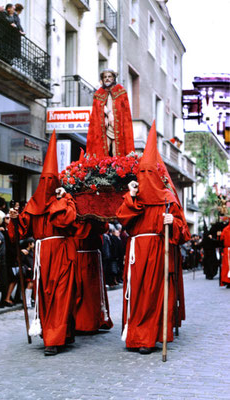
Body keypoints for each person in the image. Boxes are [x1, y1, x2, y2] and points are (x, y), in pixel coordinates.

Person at [116, 121, 190, 355]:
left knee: (153, 295)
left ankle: (150, 337)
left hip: (158, 253)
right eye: (142, 173)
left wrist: (173, 223)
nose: (146, 178)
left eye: (149, 173)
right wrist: (132, 195)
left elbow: (184, 232)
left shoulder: (168, 199)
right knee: (136, 294)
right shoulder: (134, 197)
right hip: (137, 254)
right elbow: (123, 219)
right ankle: (135, 336)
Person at [8, 131, 78, 356]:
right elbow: (19, 232)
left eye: (51, 181)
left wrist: (63, 198)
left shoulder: (62, 200)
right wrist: (13, 218)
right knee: (45, 296)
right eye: (44, 181)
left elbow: (67, 219)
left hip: (62, 254)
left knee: (62, 296)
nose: (47, 185)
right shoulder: (34, 203)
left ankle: (56, 338)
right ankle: (51, 333)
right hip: (42, 257)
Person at [74, 220, 113, 332]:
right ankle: (80, 322)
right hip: (78, 254)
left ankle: (93, 321)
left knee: (92, 291)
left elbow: (103, 228)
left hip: (91, 254)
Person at [86, 69, 135, 158]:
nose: (107, 79)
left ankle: (116, 169)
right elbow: (97, 109)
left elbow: (125, 112)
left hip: (117, 126)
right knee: (105, 148)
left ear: (113, 78)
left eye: (109, 77)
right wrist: (108, 115)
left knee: (116, 151)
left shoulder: (120, 91)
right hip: (105, 126)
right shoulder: (99, 94)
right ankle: (103, 168)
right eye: (105, 77)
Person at [20, 237, 35, 309]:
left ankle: (29, 300)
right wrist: (27, 268)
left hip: (32, 270)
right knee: (29, 285)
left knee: (32, 285)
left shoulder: (32, 252)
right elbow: (22, 262)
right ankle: (27, 301)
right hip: (28, 271)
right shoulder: (24, 252)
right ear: (29, 244)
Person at [219, 220, 230, 288]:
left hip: (227, 250)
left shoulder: (225, 229)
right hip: (227, 249)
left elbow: (221, 238)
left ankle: (227, 281)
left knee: (227, 266)